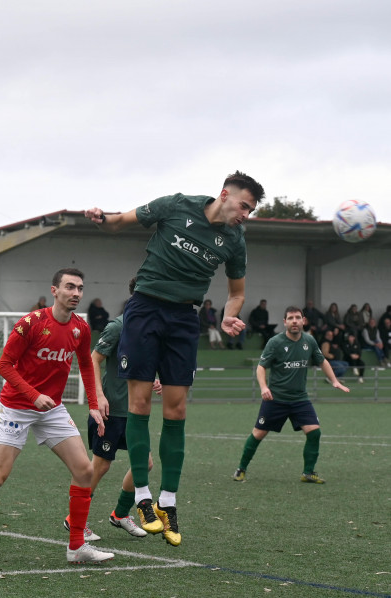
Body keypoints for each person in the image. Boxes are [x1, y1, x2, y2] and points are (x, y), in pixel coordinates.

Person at [84, 170, 264, 546]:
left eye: (251, 209)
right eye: (244, 205)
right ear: (224, 194)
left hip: (184, 318)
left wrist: (232, 313)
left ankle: (168, 501)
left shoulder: (235, 240)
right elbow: (120, 222)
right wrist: (103, 219)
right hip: (145, 310)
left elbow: (237, 291)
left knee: (177, 409)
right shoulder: (177, 205)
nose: (246, 214)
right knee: (139, 401)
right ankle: (142, 497)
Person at [0, 268, 112, 565]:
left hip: (51, 409)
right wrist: (32, 395)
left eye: (80, 288)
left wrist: (93, 402)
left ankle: (76, 547)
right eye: (69, 287)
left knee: (84, 471)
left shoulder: (81, 327)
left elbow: (87, 366)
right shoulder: (31, 323)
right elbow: (4, 365)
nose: (76, 293)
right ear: (54, 290)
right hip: (16, 406)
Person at [76, 276, 158, 540]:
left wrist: (153, 377)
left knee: (144, 464)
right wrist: (98, 396)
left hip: (134, 412)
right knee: (100, 467)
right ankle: (75, 521)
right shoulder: (117, 327)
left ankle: (120, 514)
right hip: (111, 411)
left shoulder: (149, 329)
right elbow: (92, 360)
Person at [232, 306, 349, 484]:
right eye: (290, 318)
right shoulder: (275, 342)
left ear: (303, 321)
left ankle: (308, 473)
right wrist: (264, 387)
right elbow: (261, 367)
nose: (294, 321)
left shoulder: (309, 341)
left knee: (314, 433)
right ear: (284, 322)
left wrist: (334, 380)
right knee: (258, 434)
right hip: (275, 399)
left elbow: (322, 360)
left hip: (300, 399)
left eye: (297, 318)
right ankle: (241, 468)